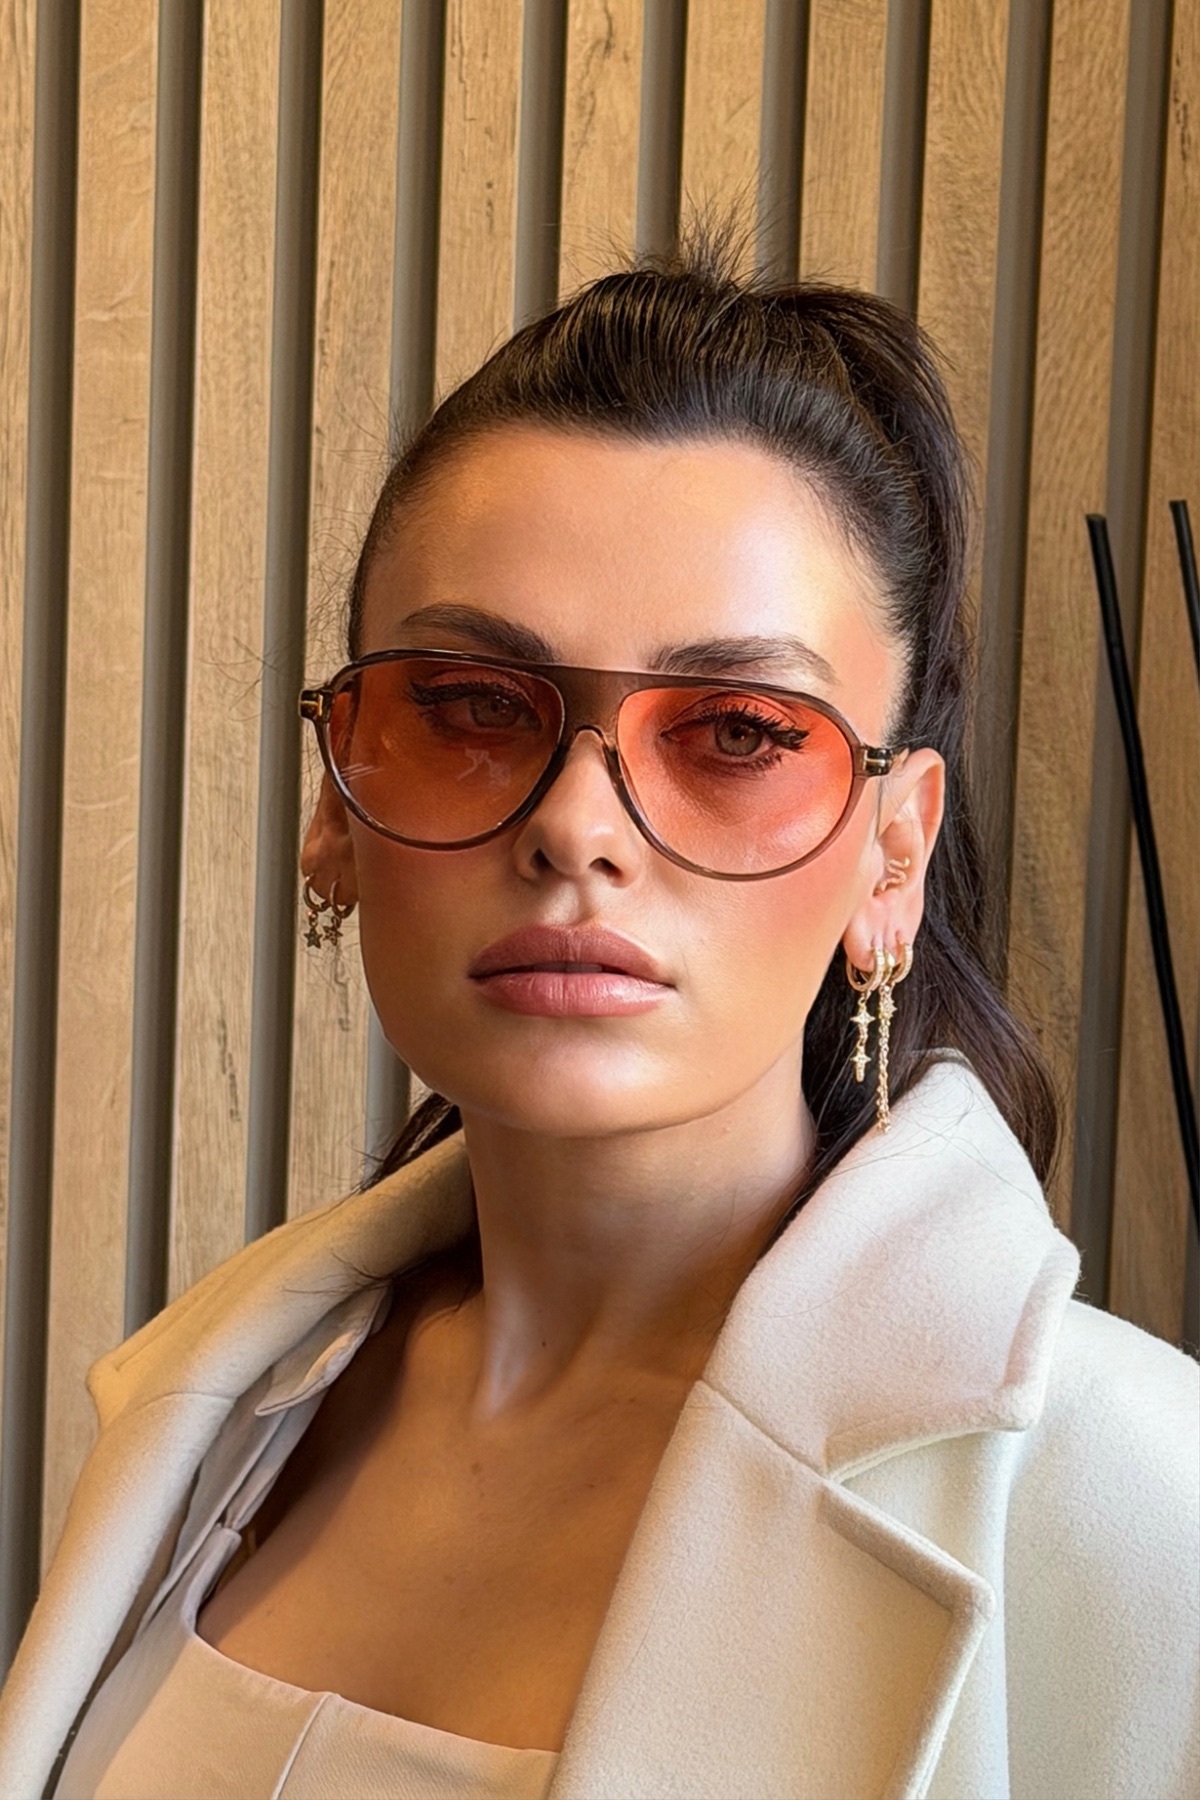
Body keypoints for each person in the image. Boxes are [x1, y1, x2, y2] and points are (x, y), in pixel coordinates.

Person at [1, 216, 1196, 1800]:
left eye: (739, 731)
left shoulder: (1139, 1504)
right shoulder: (207, 1412)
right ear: (334, 802)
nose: (577, 826)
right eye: (472, 706)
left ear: (894, 854)